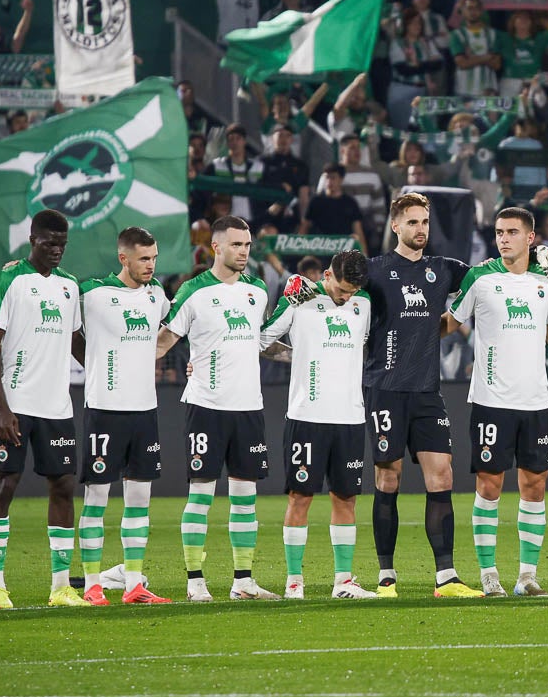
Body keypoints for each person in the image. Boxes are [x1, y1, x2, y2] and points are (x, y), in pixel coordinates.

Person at [361, 193, 482, 599]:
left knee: (442, 476)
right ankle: (386, 576)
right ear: (395, 225)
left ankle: (446, 577)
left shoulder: (443, 270)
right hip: (386, 390)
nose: (420, 230)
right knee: (388, 477)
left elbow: (488, 278)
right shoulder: (375, 270)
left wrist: (534, 262)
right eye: (412, 222)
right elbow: (336, 288)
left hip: (428, 391)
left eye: (425, 223)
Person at [444, 207, 548, 597]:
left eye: (512, 232)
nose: (503, 239)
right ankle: (489, 574)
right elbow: (450, 322)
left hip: (536, 401)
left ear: (530, 238)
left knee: (534, 485)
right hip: (491, 400)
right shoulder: (480, 278)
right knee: (489, 485)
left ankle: (527, 576)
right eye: (499, 232)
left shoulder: (544, 284)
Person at [155, 215, 278, 602]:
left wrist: (312, 354)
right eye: (237, 245)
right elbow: (163, 342)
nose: (244, 252)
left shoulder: (257, 291)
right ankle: (195, 583)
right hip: (206, 406)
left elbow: (259, 344)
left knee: (245, 499)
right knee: (201, 496)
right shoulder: (193, 291)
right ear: (217, 247)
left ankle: (243, 582)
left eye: (248, 244)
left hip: (249, 408)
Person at [0, 211, 85, 607]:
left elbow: (77, 341)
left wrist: (113, 369)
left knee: (63, 485)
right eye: (49, 243)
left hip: (57, 406)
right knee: (5, 483)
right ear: (32, 239)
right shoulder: (10, 279)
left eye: (62, 243)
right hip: (17, 405)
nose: (56, 249)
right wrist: (1, 407)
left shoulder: (69, 285)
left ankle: (60, 587)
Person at [260, 250, 376, 599]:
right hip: (306, 417)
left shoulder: (364, 304)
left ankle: (344, 581)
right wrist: (296, 355)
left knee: (346, 499)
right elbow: (261, 340)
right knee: (300, 498)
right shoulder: (300, 299)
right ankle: (294, 581)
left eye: (352, 291)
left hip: (350, 418)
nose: (346, 297)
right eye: (342, 289)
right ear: (327, 275)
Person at [71, 227, 173, 605]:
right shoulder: (93, 293)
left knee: (139, 501)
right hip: (104, 410)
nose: (151, 265)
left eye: (154, 258)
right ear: (123, 258)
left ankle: (133, 584)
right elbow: (63, 320)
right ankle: (94, 584)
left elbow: (173, 331)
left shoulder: (156, 295)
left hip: (145, 411)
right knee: (96, 499)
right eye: (144, 258)